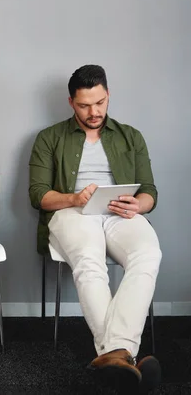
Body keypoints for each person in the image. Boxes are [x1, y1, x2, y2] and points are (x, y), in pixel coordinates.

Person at [29, 65, 161, 393]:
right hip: (72, 212)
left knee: (148, 253)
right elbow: (38, 195)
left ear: (107, 95)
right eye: (85, 105)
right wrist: (74, 196)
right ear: (71, 102)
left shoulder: (131, 136)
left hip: (119, 212)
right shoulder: (49, 137)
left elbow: (149, 191)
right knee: (90, 260)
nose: (94, 112)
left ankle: (113, 356)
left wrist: (139, 204)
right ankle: (124, 353)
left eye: (100, 103)